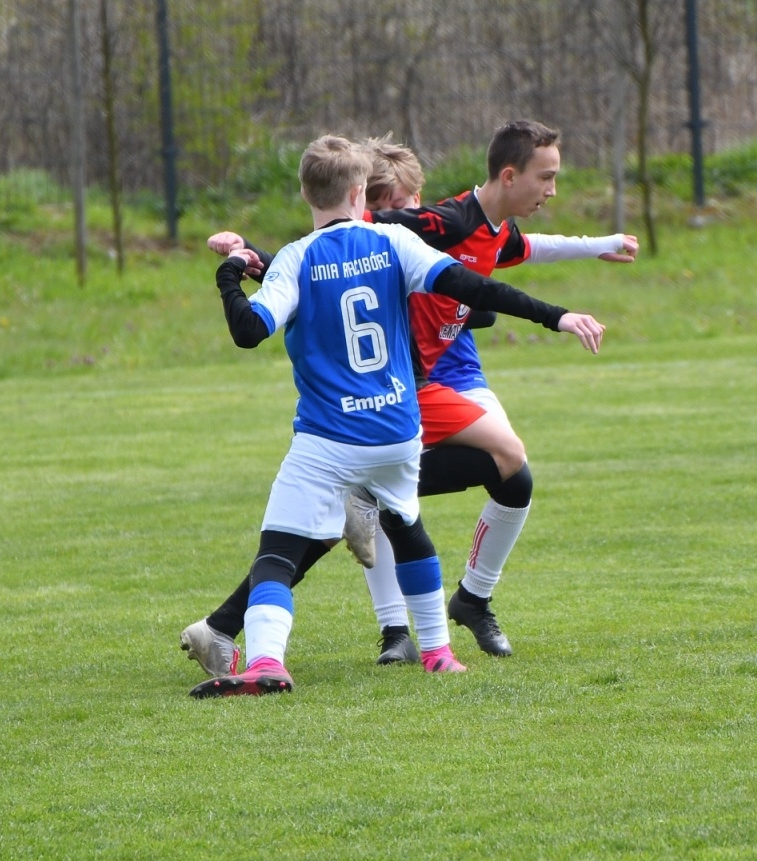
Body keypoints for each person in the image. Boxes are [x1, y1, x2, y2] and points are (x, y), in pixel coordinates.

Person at [186, 134, 605, 697]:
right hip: (398, 430)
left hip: (331, 436)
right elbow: (473, 288)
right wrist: (556, 316)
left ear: (306, 192)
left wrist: (230, 275)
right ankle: (436, 651)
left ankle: (264, 663)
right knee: (408, 526)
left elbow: (251, 330)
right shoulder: (392, 243)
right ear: (361, 192)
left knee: (279, 552)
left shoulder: (296, 257)